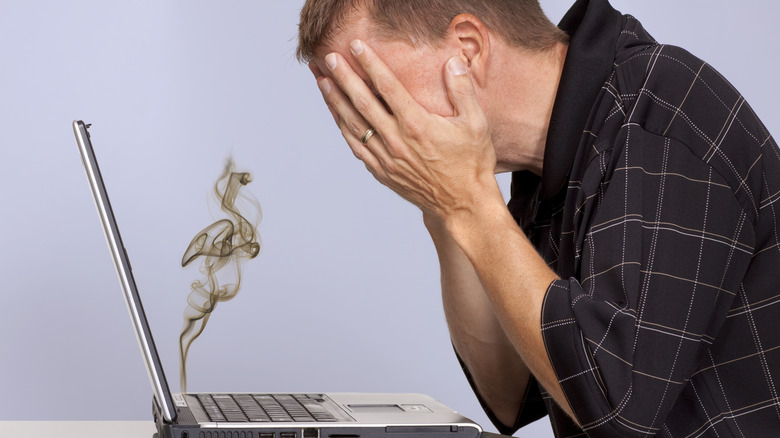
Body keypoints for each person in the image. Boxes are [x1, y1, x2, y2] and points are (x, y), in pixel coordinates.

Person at [296, 0, 780, 436]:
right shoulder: (547, 166)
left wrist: (467, 201)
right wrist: (440, 206)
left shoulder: (659, 118)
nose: (369, 124)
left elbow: (619, 408)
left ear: (466, 50)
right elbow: (512, 395)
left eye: (373, 90)